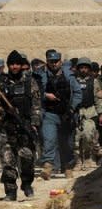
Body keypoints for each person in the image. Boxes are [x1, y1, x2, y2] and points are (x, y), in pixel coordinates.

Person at [0, 50, 41, 200]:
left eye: (17, 64)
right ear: (8, 65)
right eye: (12, 64)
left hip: (24, 127)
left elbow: (36, 104)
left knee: (27, 159)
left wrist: (35, 122)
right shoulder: (1, 83)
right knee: (7, 161)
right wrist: (2, 109)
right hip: (7, 128)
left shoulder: (30, 82)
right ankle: (10, 192)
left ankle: (27, 184)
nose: (15, 66)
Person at [40, 50, 82, 179]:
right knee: (49, 140)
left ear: (60, 61)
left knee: (67, 143)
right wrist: (46, 95)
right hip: (50, 113)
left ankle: (68, 167)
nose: (53, 64)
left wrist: (72, 108)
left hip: (66, 115)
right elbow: (35, 92)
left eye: (56, 61)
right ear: (47, 61)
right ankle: (48, 166)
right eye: (51, 61)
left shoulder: (69, 76)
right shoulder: (42, 76)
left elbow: (78, 94)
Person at [73, 57, 102, 168]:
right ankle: (78, 160)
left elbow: (97, 99)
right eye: (81, 68)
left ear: (89, 69)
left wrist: (100, 114)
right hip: (76, 112)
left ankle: (87, 157)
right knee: (76, 138)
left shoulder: (94, 82)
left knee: (88, 135)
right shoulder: (73, 80)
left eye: (86, 68)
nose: (83, 70)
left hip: (90, 111)